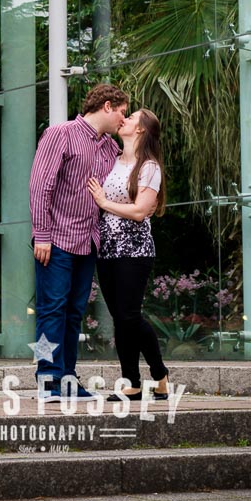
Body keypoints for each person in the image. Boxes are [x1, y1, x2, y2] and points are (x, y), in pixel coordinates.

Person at [29, 83, 129, 400]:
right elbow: (40, 186)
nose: (123, 121)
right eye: (123, 113)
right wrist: (42, 235)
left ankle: (68, 380)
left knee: (74, 314)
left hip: (88, 244)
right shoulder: (61, 134)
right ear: (108, 106)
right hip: (56, 241)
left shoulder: (109, 148)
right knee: (51, 310)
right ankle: (48, 379)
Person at [87, 107, 169, 401]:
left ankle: (159, 373)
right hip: (107, 251)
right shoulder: (112, 160)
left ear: (141, 130)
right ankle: (132, 382)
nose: (125, 119)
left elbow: (139, 212)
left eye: (132, 117)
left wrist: (103, 201)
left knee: (129, 315)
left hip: (135, 250)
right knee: (119, 318)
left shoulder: (149, 167)